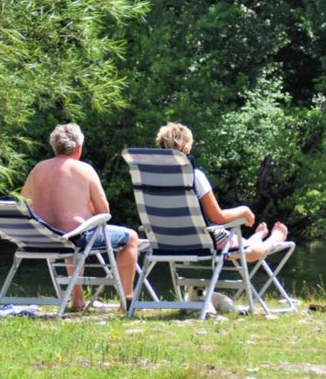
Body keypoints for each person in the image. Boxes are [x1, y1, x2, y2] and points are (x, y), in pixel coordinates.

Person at [21, 123, 139, 310]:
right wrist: (85, 210)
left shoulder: (38, 169)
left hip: (43, 237)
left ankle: (77, 298)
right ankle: (127, 300)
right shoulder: (84, 170)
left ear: (54, 146)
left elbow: (25, 203)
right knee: (131, 237)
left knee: (70, 233)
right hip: (75, 238)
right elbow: (104, 212)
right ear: (79, 148)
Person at [154, 122, 288, 263]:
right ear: (187, 147)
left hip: (167, 243)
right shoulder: (194, 177)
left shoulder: (152, 179)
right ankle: (273, 240)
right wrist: (244, 211)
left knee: (242, 245)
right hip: (204, 242)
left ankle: (255, 238)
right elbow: (218, 217)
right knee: (250, 252)